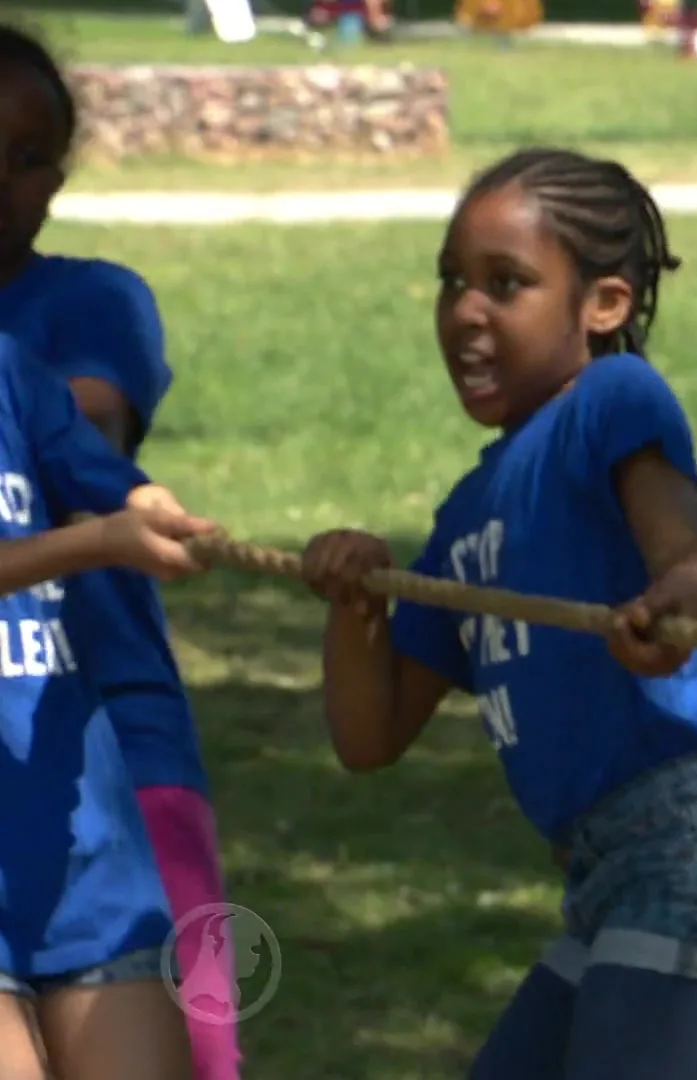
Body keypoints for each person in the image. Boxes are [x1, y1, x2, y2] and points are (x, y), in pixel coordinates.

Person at [300, 147, 697, 1080]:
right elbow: (369, 734)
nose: (466, 313)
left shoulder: (610, 400)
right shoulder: (466, 518)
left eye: (506, 285)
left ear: (605, 305)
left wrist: (680, 600)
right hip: (608, 877)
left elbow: (695, 555)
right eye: (451, 283)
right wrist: (354, 608)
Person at [0, 23, 246, 1080]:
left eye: (25, 156)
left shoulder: (42, 339)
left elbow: (96, 451)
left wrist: (148, 510)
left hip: (99, 776)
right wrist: (106, 533)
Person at [0, 329, 220, 1080]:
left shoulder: (8, 367)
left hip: (74, 833)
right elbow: (99, 534)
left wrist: (145, 502)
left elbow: (97, 471)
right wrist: (100, 542)